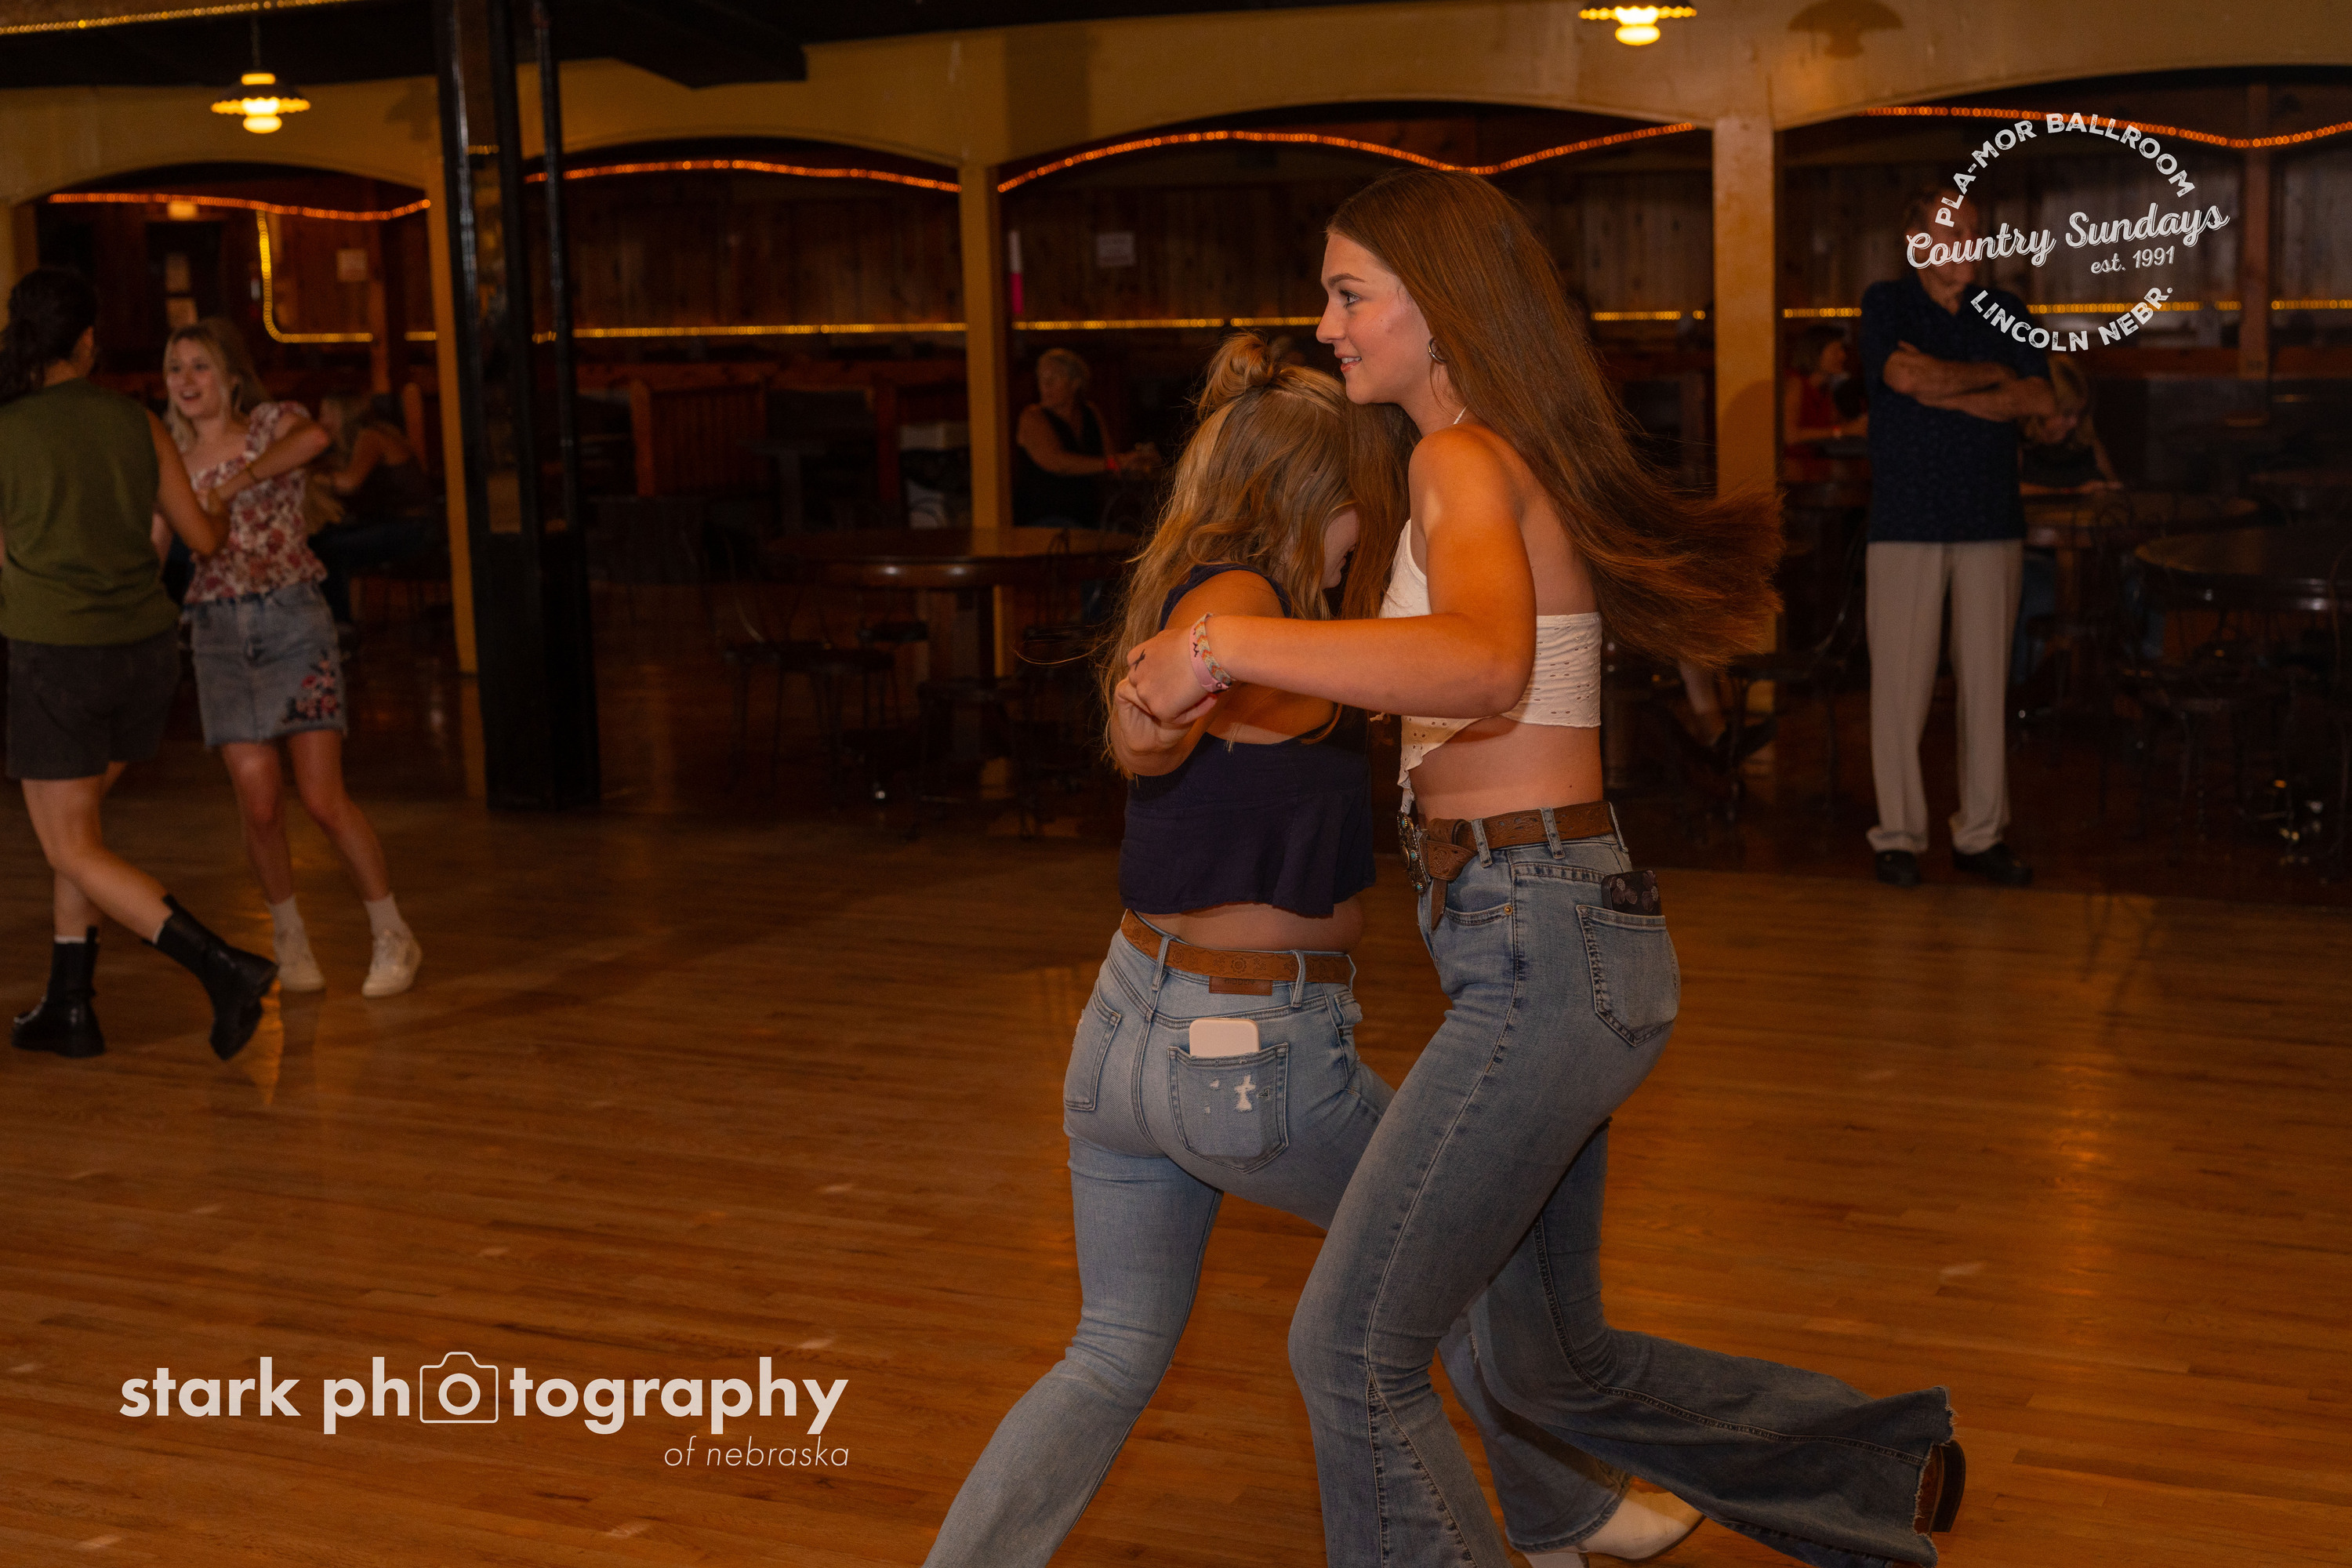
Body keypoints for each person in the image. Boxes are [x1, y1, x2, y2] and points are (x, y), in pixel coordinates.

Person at [1124, 170, 1965, 1568]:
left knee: (1349, 1348)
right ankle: (1881, 1465)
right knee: (1541, 1363)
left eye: (1349, 294)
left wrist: (1221, 643)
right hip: (1550, 936)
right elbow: (1428, 674)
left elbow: (1483, 665)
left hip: (1542, 943)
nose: (1327, 325)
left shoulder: (1461, 460)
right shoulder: (1473, 461)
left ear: (1437, 305)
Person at [927, 334, 1701, 1568]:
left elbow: (1167, 730)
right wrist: (1211, 689)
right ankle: (1565, 1515)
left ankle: (1565, 1512)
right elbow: (1251, 707)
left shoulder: (1214, 602)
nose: (1371, 534)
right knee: (1452, 1261)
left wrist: (1165, 706)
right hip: (1245, 1056)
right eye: (1364, 506)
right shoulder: (1240, 609)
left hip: (1129, 1034)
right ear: (1319, 496)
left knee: (1112, 1352)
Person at [0, 268, 279, 1061]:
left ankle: (222, 968)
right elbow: (203, 539)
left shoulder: (8, 429)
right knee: (81, 832)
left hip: (58, 656)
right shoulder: (137, 422)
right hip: (145, 656)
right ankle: (70, 1005)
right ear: (87, 341)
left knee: (70, 845)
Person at [162, 319, 423, 998]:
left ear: (230, 376)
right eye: (175, 368)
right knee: (258, 804)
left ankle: (392, 932)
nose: (187, 380)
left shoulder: (269, 424)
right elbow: (153, 544)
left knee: (323, 799)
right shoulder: (170, 460)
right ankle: (289, 935)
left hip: (291, 621)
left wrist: (232, 484)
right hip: (218, 634)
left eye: (199, 366)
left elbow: (315, 440)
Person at [1858, 185, 2056, 889]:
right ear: (1917, 243)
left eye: (1975, 231)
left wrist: (1950, 388)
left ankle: (1981, 834)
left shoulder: (2008, 311)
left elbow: (2041, 396)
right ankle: (1899, 836)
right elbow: (1903, 375)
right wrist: (1994, 380)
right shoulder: (1886, 303)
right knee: (1900, 688)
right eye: (1953, 233)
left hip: (1992, 518)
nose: (1970, 244)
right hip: (1906, 521)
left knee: (1986, 687)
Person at [2011, 355, 2127, 684]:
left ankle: (2127, 681)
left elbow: (2114, 493)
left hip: (2091, 554)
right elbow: (2006, 489)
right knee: (2041, 592)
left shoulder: (2087, 444)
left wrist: (2108, 492)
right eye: (2065, 414)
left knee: (2139, 584)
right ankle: (2023, 688)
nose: (2074, 423)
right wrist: (2072, 492)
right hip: (2034, 552)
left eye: (2079, 413)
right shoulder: (2016, 444)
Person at [310, 391, 438, 628]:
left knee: (326, 549)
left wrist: (308, 478)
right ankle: (334, 621)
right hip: (404, 524)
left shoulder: (371, 436)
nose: (321, 421)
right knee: (320, 540)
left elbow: (350, 482)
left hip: (415, 528)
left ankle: (340, 624)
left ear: (344, 415)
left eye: (327, 413)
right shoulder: (363, 438)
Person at [1012, 347, 1156, 528]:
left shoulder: (1090, 413)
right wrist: (1114, 463)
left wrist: (1135, 463)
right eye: (1041, 379)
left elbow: (1111, 461)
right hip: (1044, 519)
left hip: (1088, 518)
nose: (1045, 385)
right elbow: (1057, 462)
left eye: (1053, 379)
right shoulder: (1033, 417)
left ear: (1075, 383)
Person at [1785, 323, 1867, 452]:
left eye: (1842, 350)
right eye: (1835, 351)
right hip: (1794, 460)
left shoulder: (1824, 387)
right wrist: (1843, 431)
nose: (1843, 356)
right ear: (1815, 353)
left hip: (1816, 458)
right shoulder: (1795, 384)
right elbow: (1790, 436)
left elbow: (1837, 423)